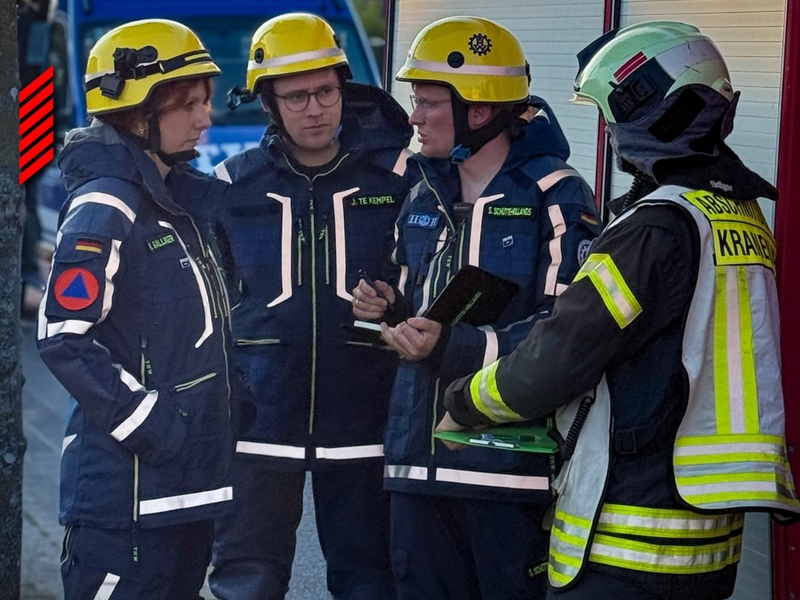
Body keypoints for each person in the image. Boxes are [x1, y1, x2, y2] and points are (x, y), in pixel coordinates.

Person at [440, 21, 800, 600]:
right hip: (704, 540)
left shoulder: (656, 226)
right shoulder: (737, 214)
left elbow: (558, 356)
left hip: (628, 541)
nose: (610, 134)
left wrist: (465, 402)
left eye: (615, 116)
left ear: (652, 113)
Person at [351, 16, 600, 600]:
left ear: (479, 112)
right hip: (414, 465)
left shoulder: (558, 195)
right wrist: (386, 310)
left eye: (428, 102)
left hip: (507, 472)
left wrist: (451, 345)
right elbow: (410, 302)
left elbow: (567, 331)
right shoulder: (420, 191)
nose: (412, 118)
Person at [209, 13, 413, 600]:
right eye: (295, 96)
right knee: (246, 581)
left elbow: (432, 282)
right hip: (258, 427)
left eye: (326, 91)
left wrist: (398, 304)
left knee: (370, 580)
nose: (315, 107)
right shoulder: (230, 188)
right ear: (268, 103)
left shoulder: (400, 180)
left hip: (365, 422)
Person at [36, 19, 241, 600]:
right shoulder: (107, 203)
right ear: (136, 112)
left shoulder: (177, 199)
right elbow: (63, 336)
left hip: (183, 498)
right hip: (121, 504)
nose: (206, 118)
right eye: (188, 104)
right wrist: (154, 427)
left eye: (205, 101)